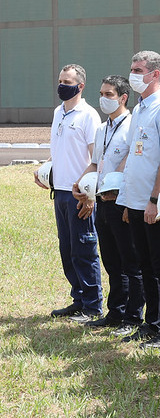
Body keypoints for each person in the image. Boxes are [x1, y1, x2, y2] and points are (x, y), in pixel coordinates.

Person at [116, 50, 160, 347]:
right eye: (132, 68)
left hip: (155, 204)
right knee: (144, 264)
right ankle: (150, 321)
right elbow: (133, 156)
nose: (133, 74)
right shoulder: (140, 108)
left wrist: (155, 198)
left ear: (155, 74)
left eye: (138, 69)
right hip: (136, 200)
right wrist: (129, 201)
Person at [72, 75, 145, 331]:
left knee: (130, 261)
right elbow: (95, 163)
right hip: (102, 201)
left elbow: (131, 164)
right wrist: (80, 183)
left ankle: (133, 316)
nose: (103, 99)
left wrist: (121, 194)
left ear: (123, 98)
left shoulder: (131, 126)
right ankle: (116, 312)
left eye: (109, 94)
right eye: (102, 93)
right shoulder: (103, 128)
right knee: (111, 260)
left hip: (121, 200)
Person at [37, 64, 103, 321]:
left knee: (84, 249)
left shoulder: (88, 115)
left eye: (68, 81)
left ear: (80, 86)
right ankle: (78, 299)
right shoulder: (58, 112)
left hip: (79, 195)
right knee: (67, 249)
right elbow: (58, 149)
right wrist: (45, 169)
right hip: (60, 192)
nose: (62, 85)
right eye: (60, 80)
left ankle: (92, 305)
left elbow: (96, 157)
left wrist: (88, 193)